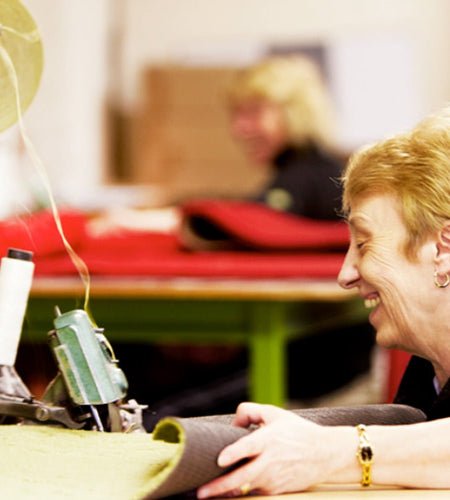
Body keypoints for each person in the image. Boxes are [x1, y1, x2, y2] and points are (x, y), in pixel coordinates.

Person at [196, 105, 450, 498]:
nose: (345, 274)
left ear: (443, 248)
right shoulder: (426, 377)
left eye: (364, 244)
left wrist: (329, 452)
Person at [227, 54, 342, 220]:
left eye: (253, 112)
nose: (238, 128)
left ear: (294, 112)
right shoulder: (316, 170)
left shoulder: (304, 178)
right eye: (237, 114)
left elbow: (257, 220)